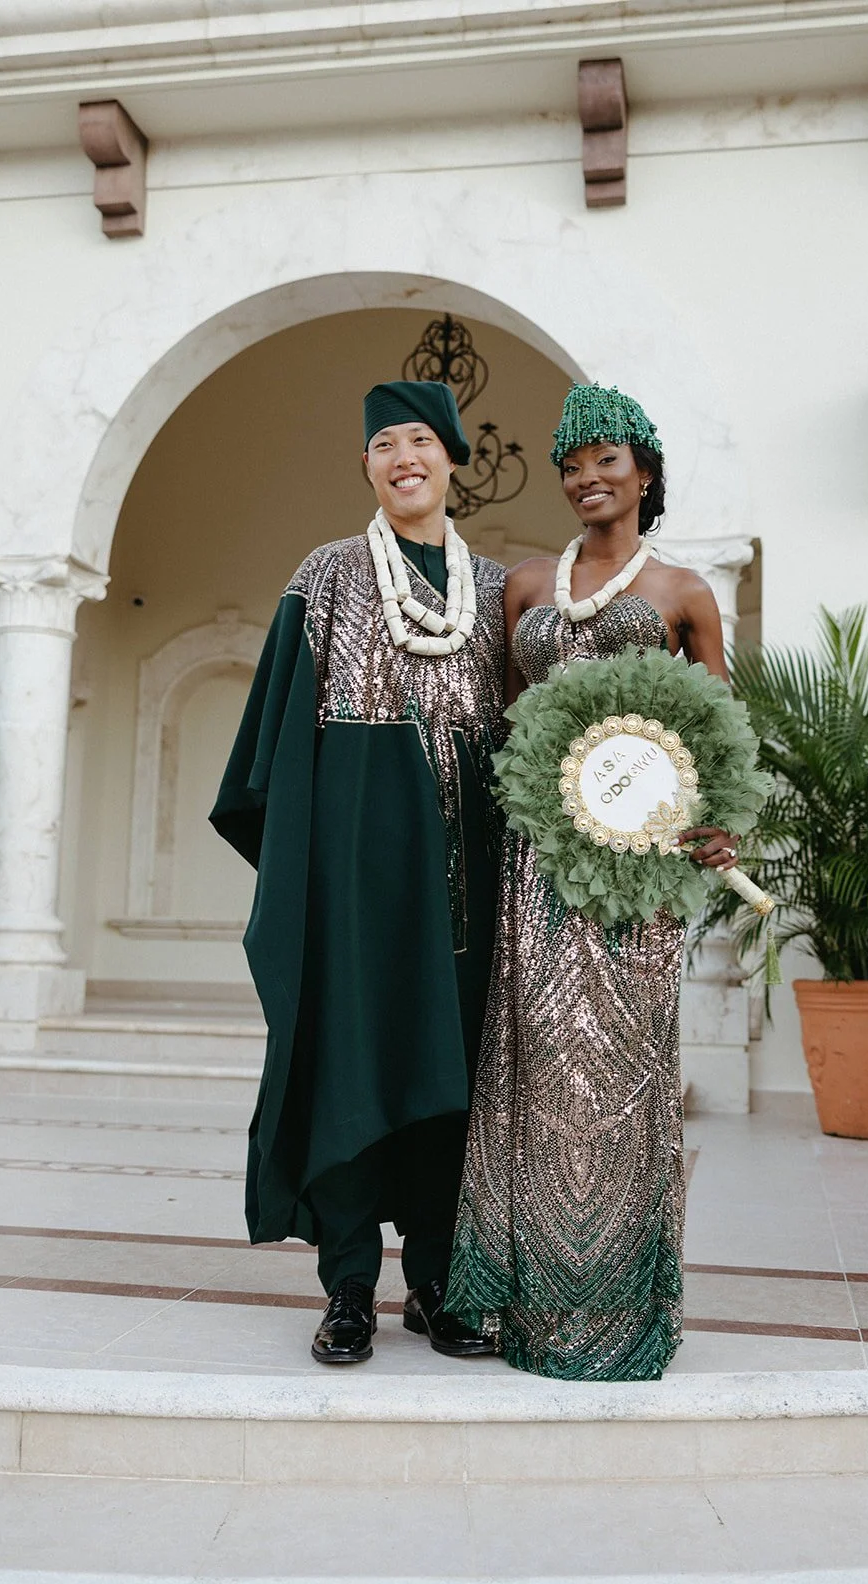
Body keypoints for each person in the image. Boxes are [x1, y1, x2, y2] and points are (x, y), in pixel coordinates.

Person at [445, 382, 741, 1381]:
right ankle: (528, 1307)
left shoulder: (683, 591)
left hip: (635, 871)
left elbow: (715, 733)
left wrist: (718, 827)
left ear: (644, 473)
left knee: (619, 1069)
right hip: (536, 860)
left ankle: (615, 1313)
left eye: (605, 460)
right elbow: (502, 724)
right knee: (533, 1059)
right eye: (570, 465)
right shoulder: (528, 583)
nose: (585, 478)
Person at [211, 380, 505, 1365]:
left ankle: (434, 1282)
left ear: (452, 457)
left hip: (467, 883)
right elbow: (276, 741)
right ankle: (347, 1286)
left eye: (420, 440)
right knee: (349, 1061)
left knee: (449, 1070)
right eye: (384, 444)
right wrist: (309, 873)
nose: (403, 457)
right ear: (368, 466)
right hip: (352, 882)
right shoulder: (329, 574)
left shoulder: (497, 589)